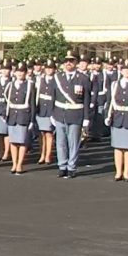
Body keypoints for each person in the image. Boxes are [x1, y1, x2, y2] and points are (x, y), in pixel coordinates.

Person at [50, 51, 92, 179]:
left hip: (76, 114)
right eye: (66, 61)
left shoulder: (83, 78)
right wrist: (52, 114)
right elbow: (53, 97)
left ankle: (71, 167)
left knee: (73, 142)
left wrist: (86, 118)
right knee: (60, 142)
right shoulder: (57, 77)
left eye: (71, 60)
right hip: (60, 113)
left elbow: (86, 99)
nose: (68, 63)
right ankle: (62, 166)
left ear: (76, 63)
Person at [6, 62, 36, 175]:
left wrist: (32, 120)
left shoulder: (29, 85)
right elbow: (6, 100)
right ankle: (14, 163)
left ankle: (20, 164)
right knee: (13, 141)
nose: (20, 73)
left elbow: (32, 103)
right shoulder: (11, 84)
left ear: (25, 73)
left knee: (22, 142)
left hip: (24, 115)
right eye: (18, 71)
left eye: (22, 71)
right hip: (12, 115)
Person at [35, 59, 57, 165]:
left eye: (51, 68)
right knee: (41, 134)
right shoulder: (40, 80)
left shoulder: (56, 80)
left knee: (49, 133)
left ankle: (48, 155)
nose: (49, 70)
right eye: (47, 68)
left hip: (51, 109)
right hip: (41, 110)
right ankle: (42, 154)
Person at [0, 59, 13, 161]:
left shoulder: (12, 81)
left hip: (7, 108)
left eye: (7, 69)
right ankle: (0, 151)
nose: (5, 71)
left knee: (6, 133)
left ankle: (6, 152)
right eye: (3, 69)